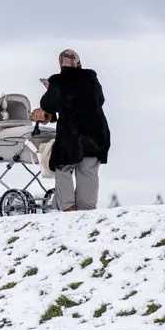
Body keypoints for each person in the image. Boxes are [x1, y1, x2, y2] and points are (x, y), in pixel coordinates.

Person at [36, 49, 111, 211]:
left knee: (63, 167)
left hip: (71, 136)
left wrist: (50, 89)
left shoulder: (58, 82)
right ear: (78, 63)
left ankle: (68, 207)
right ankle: (86, 210)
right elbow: (100, 100)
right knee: (88, 171)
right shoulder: (91, 79)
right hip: (96, 134)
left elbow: (47, 105)